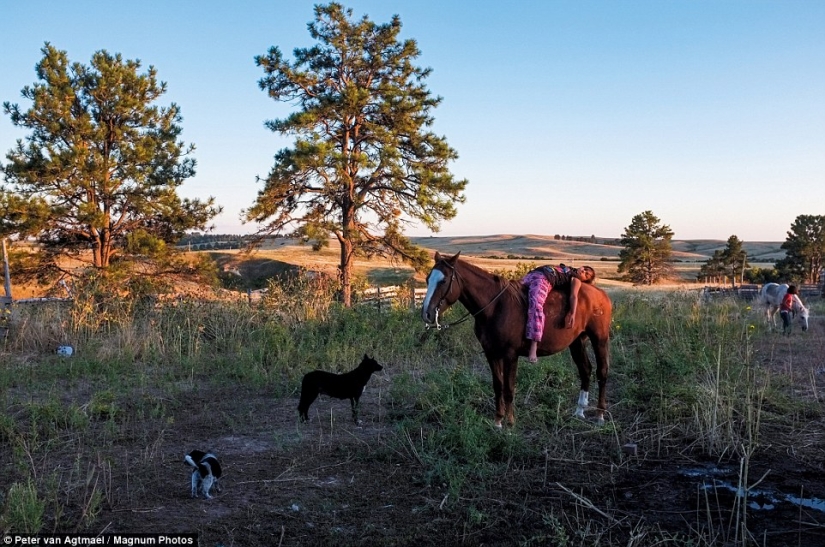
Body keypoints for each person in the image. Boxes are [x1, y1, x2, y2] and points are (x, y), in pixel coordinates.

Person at [522, 264, 596, 363]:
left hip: (544, 280)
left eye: (586, 275)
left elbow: (573, 296)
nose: (583, 271)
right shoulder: (568, 268)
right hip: (534, 273)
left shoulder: (576, 279)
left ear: (584, 281)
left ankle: (533, 345)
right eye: (585, 269)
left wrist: (572, 313)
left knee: (536, 306)